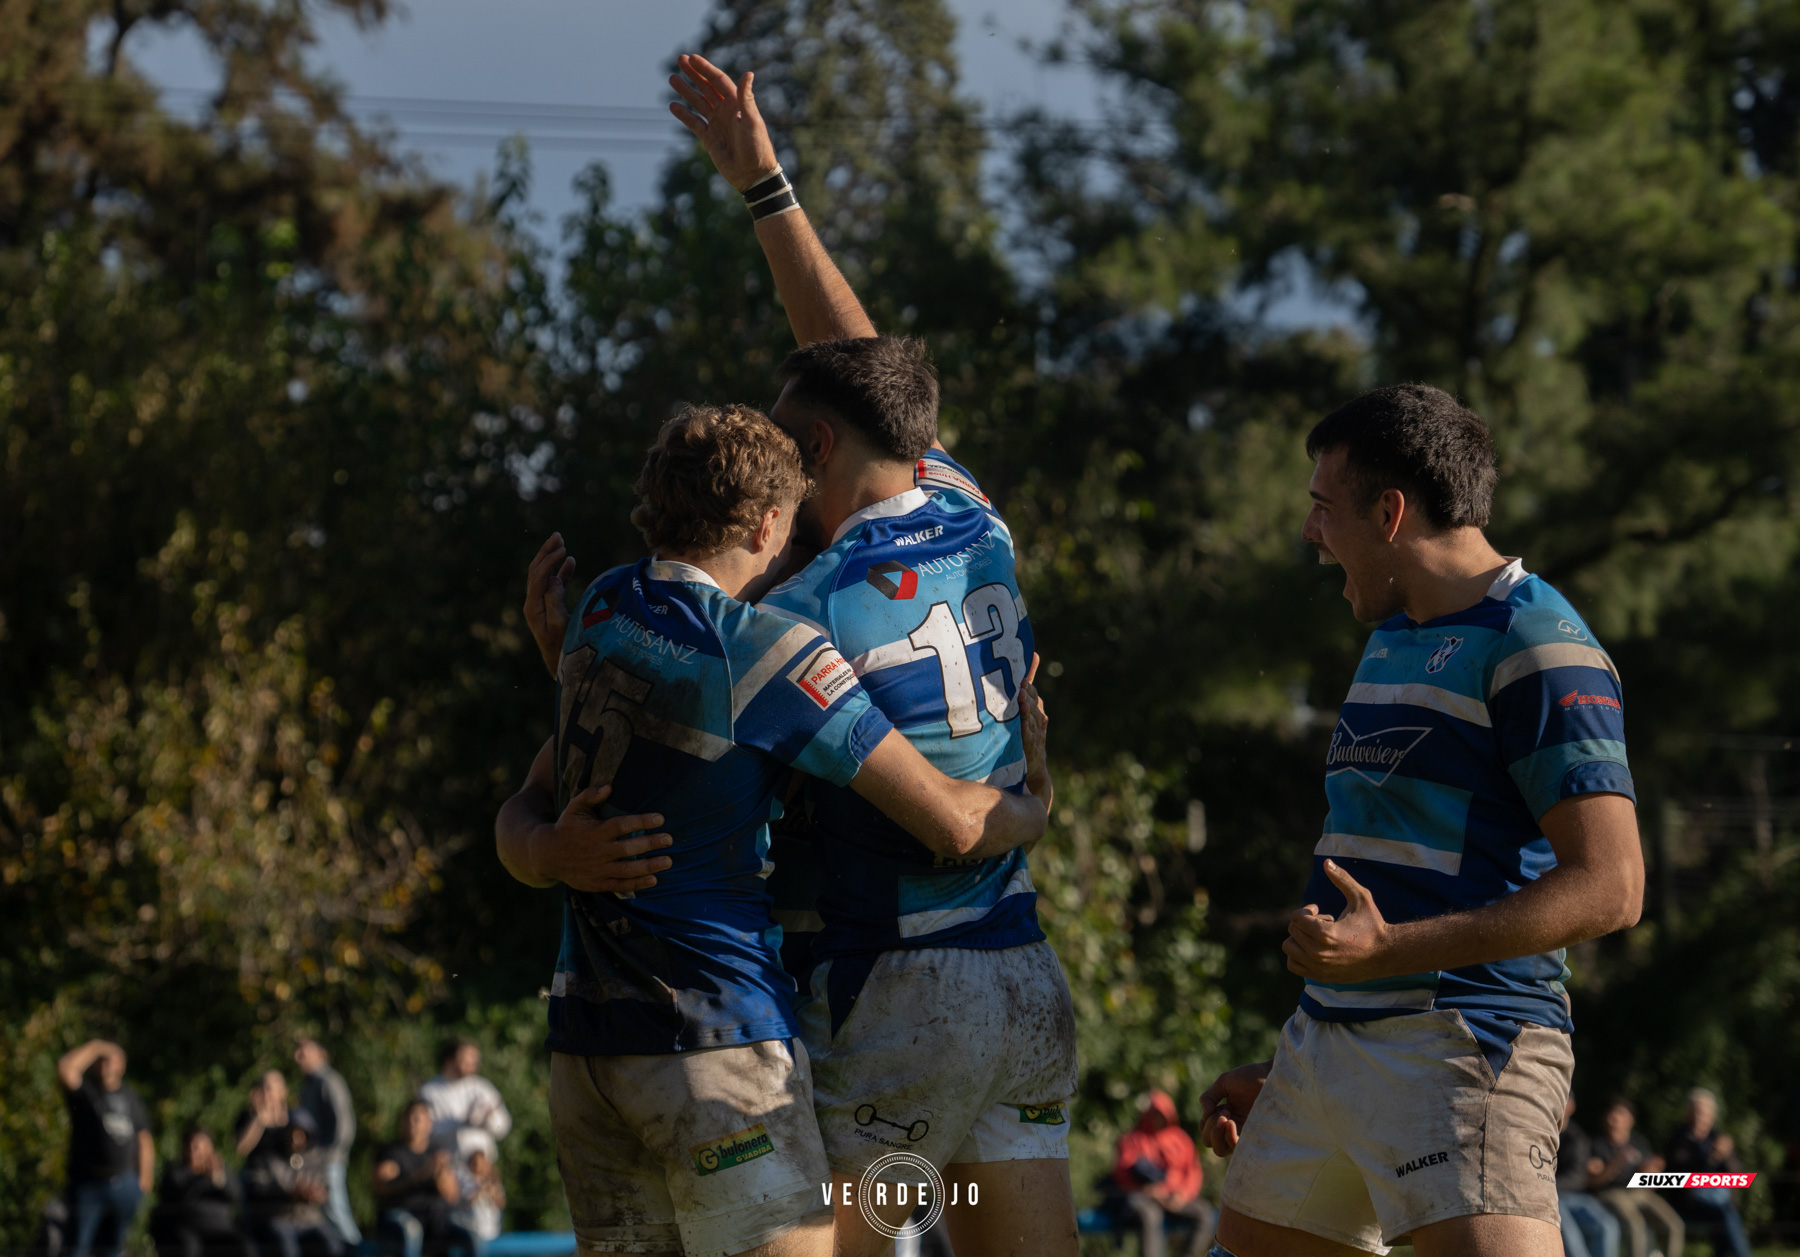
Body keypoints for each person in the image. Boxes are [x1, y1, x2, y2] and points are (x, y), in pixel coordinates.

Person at [659, 53, 1081, 1257]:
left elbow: (676, 761)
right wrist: (768, 190)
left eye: (785, 445)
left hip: (899, 993)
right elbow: (866, 378)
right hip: (1021, 979)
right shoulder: (971, 513)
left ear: (817, 451)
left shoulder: (800, 614)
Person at [503, 403, 1053, 1257]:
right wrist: (1031, 807)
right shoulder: (768, 652)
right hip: (716, 1043)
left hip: (586, 1049)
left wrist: (543, 850)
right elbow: (949, 819)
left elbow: (529, 806)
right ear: (767, 522)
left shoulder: (603, 607)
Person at [1194, 384, 1646, 1257]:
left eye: (1324, 507)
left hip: (1464, 1049)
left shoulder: (1539, 645)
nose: (1309, 531)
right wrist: (1298, 1067)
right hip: (1325, 1051)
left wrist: (1389, 953)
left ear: (1389, 513)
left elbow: (1613, 887)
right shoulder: (1394, 633)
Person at [57, 1038, 154, 1257]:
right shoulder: (87, 1093)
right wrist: (96, 1046)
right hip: (88, 1185)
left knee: (114, 1248)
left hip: (125, 1185)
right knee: (78, 1247)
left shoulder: (131, 1098)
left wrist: (143, 1183)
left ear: (122, 1065)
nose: (105, 1064)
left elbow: (144, 1139)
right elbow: (65, 1069)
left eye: (111, 1059)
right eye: (101, 1059)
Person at [1112, 1092, 1215, 1257]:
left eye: (1161, 1115)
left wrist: (1182, 1194)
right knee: (1150, 1216)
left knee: (1204, 1215)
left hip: (1175, 1198)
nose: (1157, 1119)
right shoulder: (1134, 1139)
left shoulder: (1180, 1139)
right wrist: (1150, 1191)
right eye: (1154, 1114)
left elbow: (1193, 1172)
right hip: (1146, 1197)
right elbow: (1122, 1173)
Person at [374, 1101, 480, 1257]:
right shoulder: (391, 1152)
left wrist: (440, 1175)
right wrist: (419, 1175)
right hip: (400, 1217)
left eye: (417, 1119)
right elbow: (381, 1187)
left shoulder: (437, 1152)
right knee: (411, 1230)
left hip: (434, 1220)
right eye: (408, 1118)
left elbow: (452, 1197)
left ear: (429, 1124)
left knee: (471, 1234)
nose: (412, 1123)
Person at [1589, 1099, 1683, 1257]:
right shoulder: (1596, 1143)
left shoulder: (1638, 1143)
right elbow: (1593, 1182)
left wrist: (1651, 1172)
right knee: (1636, 1225)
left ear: (1630, 1120)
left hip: (1638, 1192)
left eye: (1620, 1114)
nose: (1614, 1118)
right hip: (1611, 1193)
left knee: (1674, 1225)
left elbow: (1651, 1185)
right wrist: (1616, 1163)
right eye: (1611, 1113)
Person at [1664, 1089, 1751, 1257]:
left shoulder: (1718, 1138)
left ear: (1713, 1116)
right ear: (1688, 1113)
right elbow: (1678, 1176)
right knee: (1725, 1214)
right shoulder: (1678, 1139)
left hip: (1719, 1201)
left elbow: (1736, 1176)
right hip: (1688, 1202)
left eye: (1705, 1113)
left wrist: (1726, 1156)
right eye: (1697, 1111)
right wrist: (1709, 1159)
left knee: (1725, 1213)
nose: (1700, 1117)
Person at [242, 1120, 342, 1257]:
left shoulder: (315, 1158)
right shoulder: (269, 1158)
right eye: (292, 1134)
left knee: (333, 1246)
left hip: (309, 1219)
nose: (295, 1140)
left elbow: (325, 1188)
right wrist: (289, 1194)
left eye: (300, 1135)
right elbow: (258, 1191)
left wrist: (317, 1194)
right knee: (287, 1248)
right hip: (280, 1217)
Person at [294, 1038, 360, 1244]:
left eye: (304, 1051)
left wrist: (329, 1155)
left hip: (328, 1160)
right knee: (324, 1216)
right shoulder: (309, 1084)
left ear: (320, 1053)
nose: (298, 1056)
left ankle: (357, 1249)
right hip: (314, 1161)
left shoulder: (328, 1081)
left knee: (336, 1212)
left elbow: (344, 1126)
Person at [150, 1129, 253, 1257]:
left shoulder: (222, 1172)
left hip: (222, 1230)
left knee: (244, 1247)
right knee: (189, 1248)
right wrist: (201, 1177)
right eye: (195, 1147)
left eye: (204, 1147)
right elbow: (174, 1196)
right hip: (189, 1230)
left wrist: (219, 1179)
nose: (199, 1152)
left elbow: (237, 1195)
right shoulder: (177, 1171)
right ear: (185, 1149)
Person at [417, 1040, 510, 1163]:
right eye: (466, 1059)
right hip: (448, 1164)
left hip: (482, 1165)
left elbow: (503, 1127)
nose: (472, 1064)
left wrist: (489, 1120)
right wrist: (461, 1124)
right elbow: (422, 1134)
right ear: (450, 1060)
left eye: (474, 1060)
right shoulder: (429, 1092)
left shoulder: (482, 1088)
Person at [1558, 1097, 1621, 1257]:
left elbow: (1578, 1177)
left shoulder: (1577, 1137)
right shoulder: (1536, 1133)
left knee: (1608, 1225)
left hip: (1575, 1195)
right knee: (1570, 1233)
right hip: (1551, 1198)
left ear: (1572, 1107)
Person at [234, 1070, 295, 1162]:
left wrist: (281, 1119)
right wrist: (259, 1121)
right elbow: (241, 1149)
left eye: (269, 1089)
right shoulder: (249, 1116)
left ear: (283, 1092)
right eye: (262, 1088)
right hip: (257, 1168)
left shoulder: (294, 1117)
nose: (265, 1093)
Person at [451, 1146, 505, 1245]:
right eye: (475, 1163)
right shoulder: (464, 1180)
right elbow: (465, 1201)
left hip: (491, 1230)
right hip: (471, 1229)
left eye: (481, 1163)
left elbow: (501, 1203)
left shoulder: (493, 1181)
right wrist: (480, 1190)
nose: (479, 1166)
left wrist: (493, 1191)